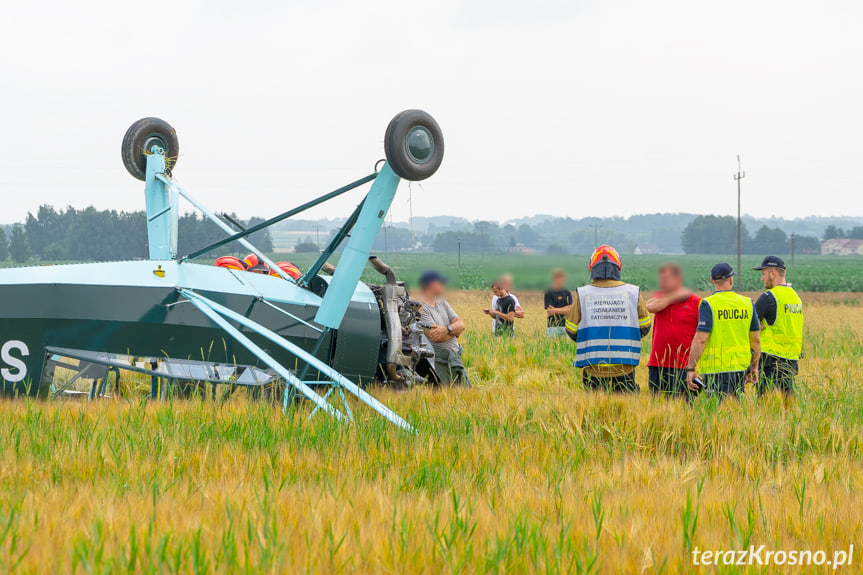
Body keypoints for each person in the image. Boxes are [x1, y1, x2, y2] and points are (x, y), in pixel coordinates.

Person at [565, 245, 651, 393]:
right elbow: (645, 327)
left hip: (593, 367)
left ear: (591, 268)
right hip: (625, 366)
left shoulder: (583, 294)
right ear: (619, 267)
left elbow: (571, 330)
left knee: (594, 413)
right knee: (625, 413)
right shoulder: (632, 292)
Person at [685, 263, 760, 399]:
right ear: (731, 280)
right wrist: (754, 367)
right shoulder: (748, 303)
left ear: (712, 281)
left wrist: (690, 368)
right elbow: (756, 340)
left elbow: (701, 339)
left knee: (717, 414)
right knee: (735, 412)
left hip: (715, 370)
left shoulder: (708, 304)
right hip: (740, 369)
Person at [646, 263, 701, 397]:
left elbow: (703, 335)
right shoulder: (661, 300)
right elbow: (650, 306)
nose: (663, 283)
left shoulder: (695, 302)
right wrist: (674, 296)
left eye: (666, 279)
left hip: (682, 366)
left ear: (678, 279)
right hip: (657, 365)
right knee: (656, 409)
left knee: (683, 407)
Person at [753, 255, 803, 397]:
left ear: (773, 273)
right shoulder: (795, 297)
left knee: (767, 409)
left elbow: (750, 326)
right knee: (788, 404)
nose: (762, 278)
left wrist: (756, 324)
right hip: (791, 360)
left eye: (763, 274)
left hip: (770, 361)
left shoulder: (769, 297)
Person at [417, 270, 469, 386]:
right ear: (431, 284)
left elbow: (461, 324)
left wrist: (447, 329)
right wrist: (454, 330)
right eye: (441, 283)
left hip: (455, 360)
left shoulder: (441, 302)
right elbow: (436, 336)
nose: (443, 285)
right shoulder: (421, 307)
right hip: (440, 363)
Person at [544, 269, 573, 337]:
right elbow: (550, 311)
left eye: (561, 278)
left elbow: (570, 310)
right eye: (558, 278)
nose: (560, 280)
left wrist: (555, 310)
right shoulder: (549, 293)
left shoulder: (567, 292)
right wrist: (565, 309)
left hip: (566, 325)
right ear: (554, 279)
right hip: (553, 326)